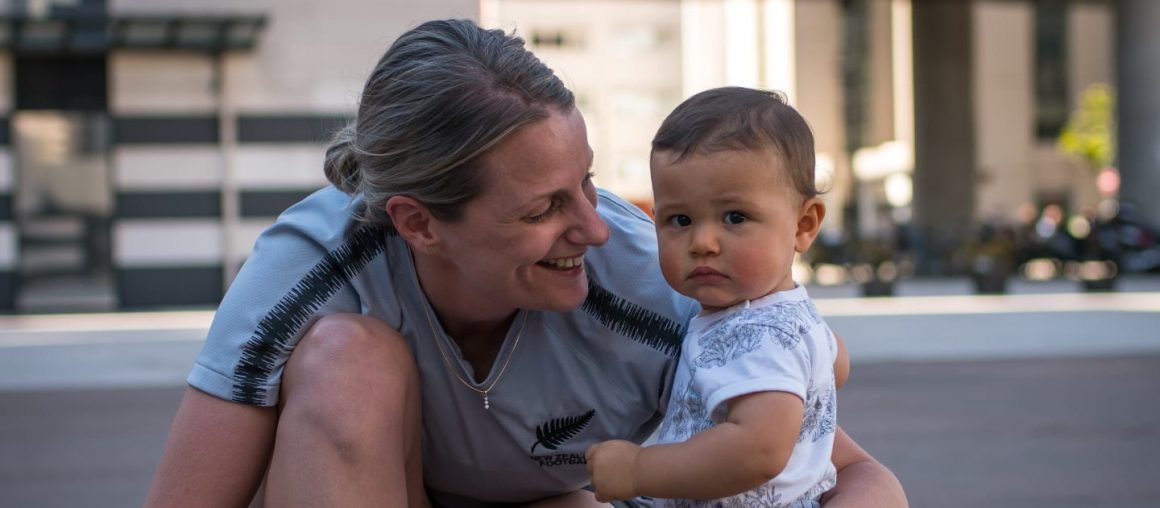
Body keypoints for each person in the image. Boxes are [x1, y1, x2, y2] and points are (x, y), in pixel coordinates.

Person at [145, 19, 906, 508]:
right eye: (544, 208)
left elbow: (856, 476)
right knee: (349, 357)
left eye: (588, 183)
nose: (594, 229)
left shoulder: (663, 284)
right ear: (419, 223)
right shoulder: (312, 268)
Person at [585, 87, 852, 507]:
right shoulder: (785, 315)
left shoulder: (754, 331)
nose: (703, 242)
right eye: (681, 219)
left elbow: (758, 450)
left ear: (804, 224)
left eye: (735, 217)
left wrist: (637, 469)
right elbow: (838, 363)